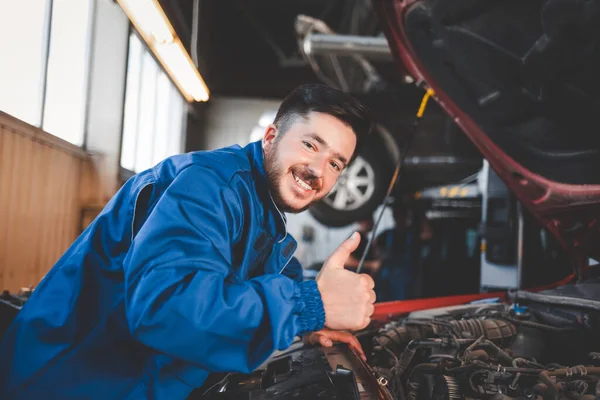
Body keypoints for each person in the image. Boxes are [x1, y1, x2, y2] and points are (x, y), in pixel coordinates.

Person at [0, 84, 376, 399]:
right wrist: (309, 305)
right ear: (271, 136)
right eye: (311, 145)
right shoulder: (208, 184)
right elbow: (166, 307)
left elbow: (256, 270)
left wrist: (308, 321)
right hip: (67, 383)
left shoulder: (259, 208)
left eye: (335, 163)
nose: (318, 171)